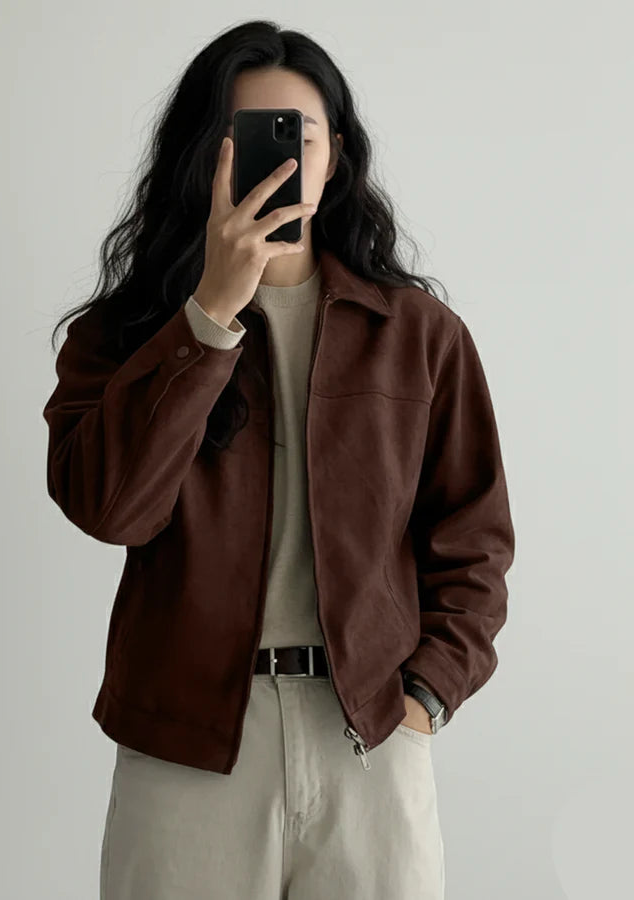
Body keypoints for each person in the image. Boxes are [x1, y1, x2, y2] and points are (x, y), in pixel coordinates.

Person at [42, 19, 515, 900]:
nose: (278, 159)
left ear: (336, 158)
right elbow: (111, 508)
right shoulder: (127, 334)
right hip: (186, 747)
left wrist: (428, 696)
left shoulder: (418, 336)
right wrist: (209, 317)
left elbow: (475, 537)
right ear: (204, 156)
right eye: (247, 135)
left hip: (369, 735)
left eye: (302, 136)